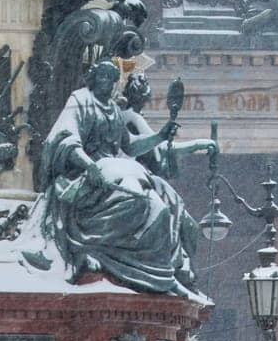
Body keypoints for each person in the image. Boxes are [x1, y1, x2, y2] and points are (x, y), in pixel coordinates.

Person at [28, 58, 211, 296]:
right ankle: (103, 252)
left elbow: (130, 146)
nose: (109, 83)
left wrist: (160, 136)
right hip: (88, 174)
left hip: (115, 169)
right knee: (141, 202)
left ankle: (161, 273)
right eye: (104, 76)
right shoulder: (80, 99)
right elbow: (66, 138)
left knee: (167, 204)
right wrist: (89, 165)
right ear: (94, 78)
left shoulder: (113, 108)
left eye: (113, 79)